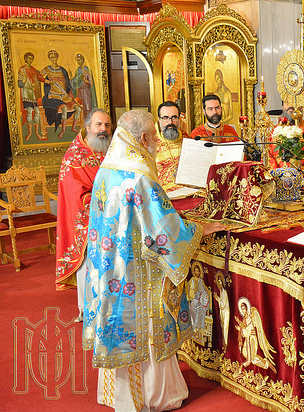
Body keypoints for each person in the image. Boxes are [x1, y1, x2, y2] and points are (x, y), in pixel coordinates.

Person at [82, 109, 221, 411]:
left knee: (117, 321)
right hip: (138, 274)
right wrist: (200, 229)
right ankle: (153, 395)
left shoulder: (106, 169)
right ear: (144, 138)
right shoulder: (141, 177)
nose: (157, 144)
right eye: (155, 138)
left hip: (109, 268)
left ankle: (116, 394)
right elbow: (164, 232)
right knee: (144, 325)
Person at [55, 109, 112, 321]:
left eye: (107, 125)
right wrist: (106, 204)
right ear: (88, 127)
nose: (103, 129)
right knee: (87, 264)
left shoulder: (109, 149)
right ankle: (86, 309)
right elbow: (75, 195)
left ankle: (108, 307)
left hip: (111, 217)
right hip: (87, 221)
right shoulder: (74, 157)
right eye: (98, 125)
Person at [41, 49, 82, 138]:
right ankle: (63, 130)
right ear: (49, 59)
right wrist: (47, 81)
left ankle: (73, 128)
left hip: (64, 96)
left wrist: (71, 96)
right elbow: (38, 76)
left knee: (78, 109)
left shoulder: (62, 70)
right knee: (64, 109)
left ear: (57, 57)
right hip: (54, 96)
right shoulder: (47, 69)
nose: (53, 59)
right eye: (51, 58)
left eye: (54, 57)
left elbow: (67, 85)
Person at [156, 100, 190, 192]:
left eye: (174, 117)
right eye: (165, 118)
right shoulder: (151, 144)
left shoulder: (189, 141)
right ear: (159, 120)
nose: (170, 122)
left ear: (179, 119)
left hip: (188, 193)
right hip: (163, 195)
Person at [17, 52, 45, 141]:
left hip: (34, 94)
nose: (30, 60)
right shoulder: (22, 70)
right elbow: (20, 84)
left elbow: (37, 80)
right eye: (29, 58)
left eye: (31, 59)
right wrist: (24, 80)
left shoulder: (34, 70)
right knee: (29, 111)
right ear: (25, 59)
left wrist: (35, 85)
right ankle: (30, 133)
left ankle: (36, 132)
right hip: (26, 93)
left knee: (37, 112)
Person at [70, 53, 97, 120]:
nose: (79, 61)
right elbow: (76, 82)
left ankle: (89, 121)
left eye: (80, 60)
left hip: (86, 91)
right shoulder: (78, 71)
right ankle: (82, 122)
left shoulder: (87, 70)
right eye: (77, 60)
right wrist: (72, 79)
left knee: (88, 107)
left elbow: (91, 83)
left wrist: (85, 81)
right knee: (82, 108)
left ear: (83, 60)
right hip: (80, 91)